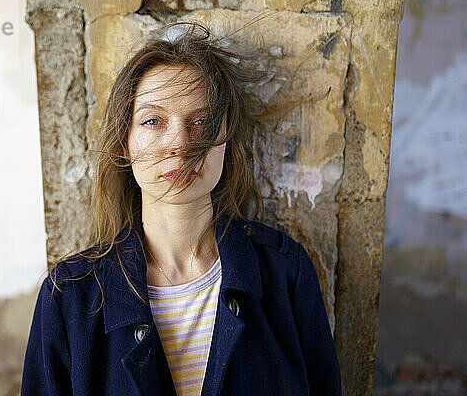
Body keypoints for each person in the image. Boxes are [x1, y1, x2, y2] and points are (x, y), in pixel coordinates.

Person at [21, 23, 341, 396]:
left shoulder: (286, 273)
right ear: (125, 143)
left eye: (201, 121)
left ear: (226, 139)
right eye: (153, 121)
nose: (180, 144)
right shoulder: (68, 299)